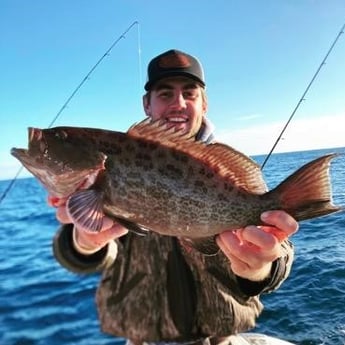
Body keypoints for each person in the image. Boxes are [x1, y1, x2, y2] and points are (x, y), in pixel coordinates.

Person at [52, 49, 298, 345]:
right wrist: (85, 242)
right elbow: (80, 257)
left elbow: (279, 246)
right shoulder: (118, 160)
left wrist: (261, 267)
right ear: (147, 104)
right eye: (165, 94)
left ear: (204, 104)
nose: (178, 104)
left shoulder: (226, 172)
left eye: (189, 94)